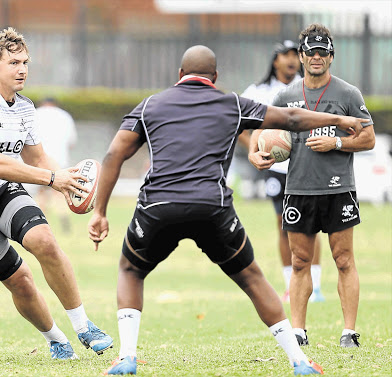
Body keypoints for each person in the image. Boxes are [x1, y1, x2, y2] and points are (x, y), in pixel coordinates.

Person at [88, 45, 367, 375]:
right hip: (212, 207)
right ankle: (299, 361)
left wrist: (100, 212)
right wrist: (338, 118)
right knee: (252, 277)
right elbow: (291, 118)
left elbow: (112, 156)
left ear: (180, 76)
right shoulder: (232, 103)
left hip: (158, 206)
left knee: (131, 270)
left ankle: (127, 357)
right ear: (215, 77)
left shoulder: (150, 105)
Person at [0, 27, 113, 359]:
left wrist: (70, 182)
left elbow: (36, 158)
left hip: (0, 192)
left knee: (45, 241)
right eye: (14, 62)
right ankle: (56, 339)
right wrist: (50, 178)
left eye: (26, 62)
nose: (23, 69)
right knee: (21, 281)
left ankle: (84, 325)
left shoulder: (25, 108)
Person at [249, 24, 375, 348]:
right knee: (300, 261)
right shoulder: (286, 96)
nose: (316, 57)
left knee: (343, 259)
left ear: (331, 56)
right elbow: (260, 129)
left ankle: (349, 332)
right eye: (311, 51)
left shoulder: (348, 94)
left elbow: (368, 137)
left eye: (323, 51)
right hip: (299, 189)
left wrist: (336, 143)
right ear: (302, 57)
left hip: (338, 188)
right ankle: (299, 331)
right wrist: (256, 154)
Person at [242, 40, 325, 303]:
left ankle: (316, 286)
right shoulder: (259, 90)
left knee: (310, 224)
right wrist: (255, 148)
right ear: (275, 60)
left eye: (294, 55)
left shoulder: (309, 86)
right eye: (285, 55)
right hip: (276, 168)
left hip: (305, 166)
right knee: (283, 224)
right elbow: (241, 124)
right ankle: (291, 285)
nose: (291, 60)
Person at [33, 97, 77, 232]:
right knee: (59, 192)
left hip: (38, 159)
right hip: (59, 160)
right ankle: (64, 220)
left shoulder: (35, 113)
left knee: (41, 192)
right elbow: (72, 142)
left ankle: (40, 223)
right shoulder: (64, 116)